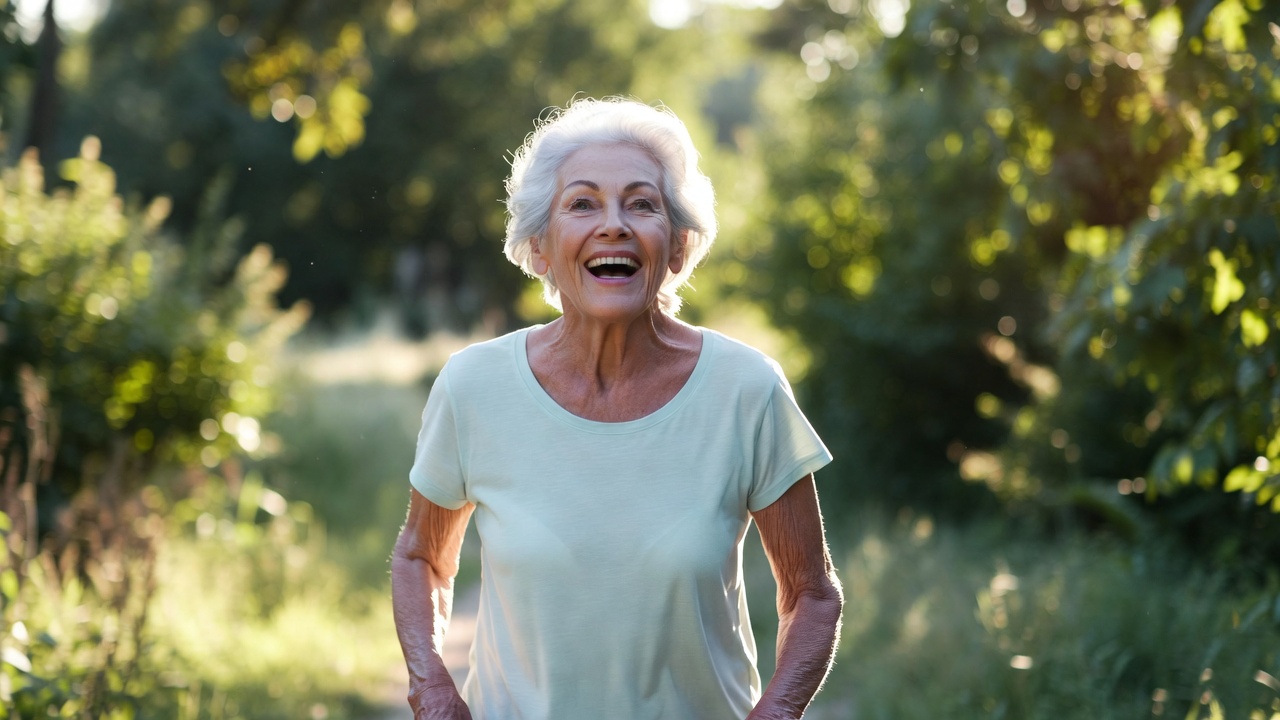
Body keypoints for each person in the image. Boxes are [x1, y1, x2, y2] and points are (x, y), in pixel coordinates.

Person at [391, 97, 843, 720]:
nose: (614, 226)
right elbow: (421, 558)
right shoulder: (474, 386)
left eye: (642, 204)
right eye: (582, 204)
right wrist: (432, 688)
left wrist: (775, 714)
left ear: (678, 247)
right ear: (540, 247)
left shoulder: (747, 390)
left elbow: (812, 595)